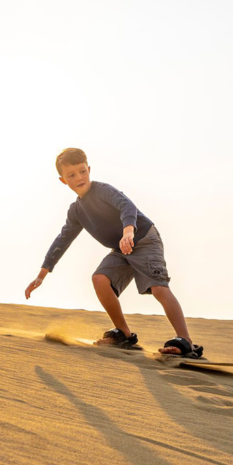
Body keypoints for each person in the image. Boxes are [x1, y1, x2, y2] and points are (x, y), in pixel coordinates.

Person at [24, 148, 203, 358]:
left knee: (158, 288)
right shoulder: (76, 211)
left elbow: (127, 206)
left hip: (144, 240)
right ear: (63, 180)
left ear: (89, 169)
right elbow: (62, 240)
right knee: (100, 279)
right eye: (71, 175)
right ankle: (123, 334)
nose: (79, 177)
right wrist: (41, 275)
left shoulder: (103, 191)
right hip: (121, 248)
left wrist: (128, 231)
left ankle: (185, 340)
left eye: (82, 171)